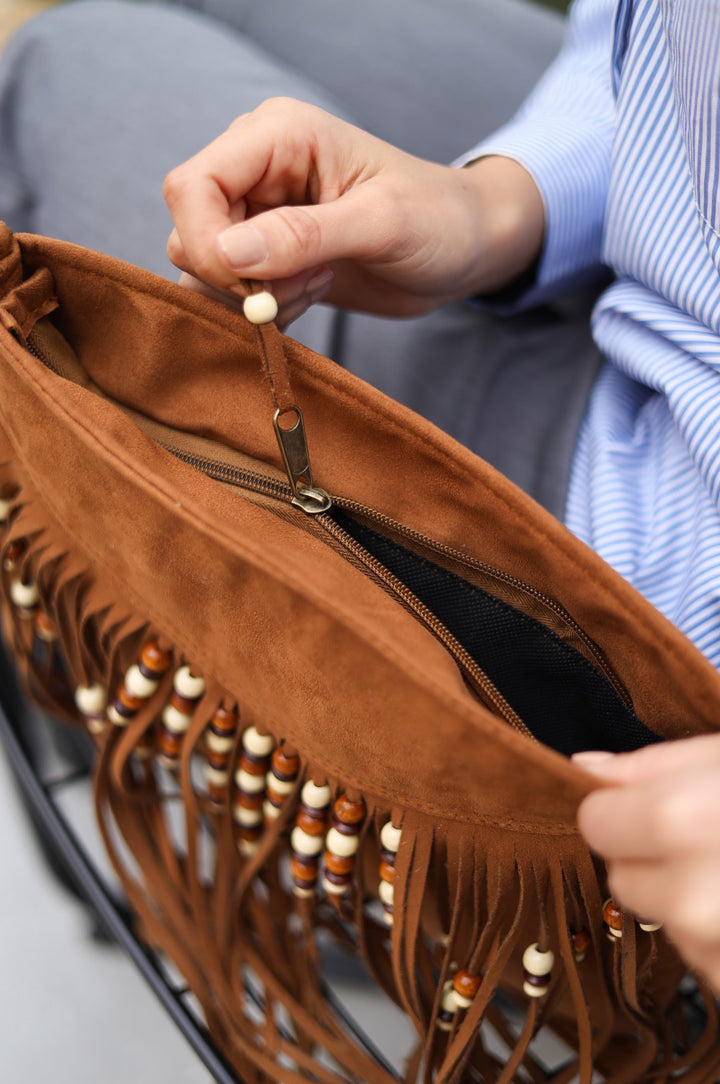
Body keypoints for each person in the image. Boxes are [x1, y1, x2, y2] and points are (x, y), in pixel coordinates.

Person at [2, 0, 720, 992]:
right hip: (674, 292)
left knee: (68, 61)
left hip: (657, 594)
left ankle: (236, 848)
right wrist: (499, 206)